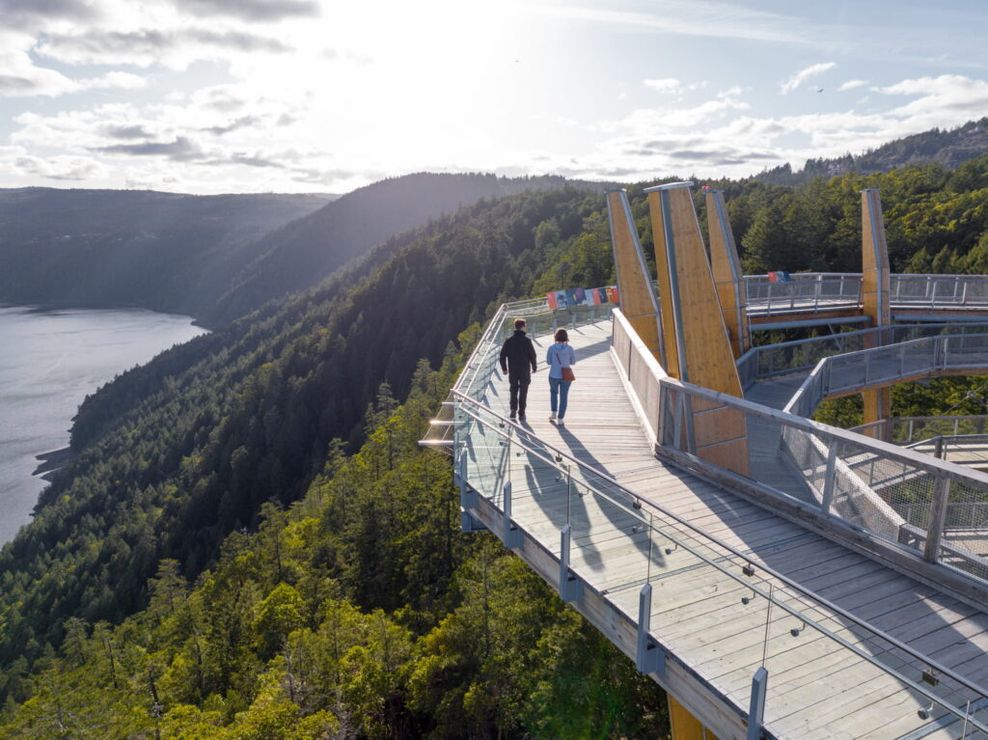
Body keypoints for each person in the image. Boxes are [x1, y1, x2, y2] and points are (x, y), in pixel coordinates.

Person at [499, 318, 537, 420]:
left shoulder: (509, 341)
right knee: (523, 391)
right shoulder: (527, 341)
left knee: (513, 390)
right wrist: (534, 367)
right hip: (524, 370)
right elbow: (533, 355)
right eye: (525, 326)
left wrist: (504, 368)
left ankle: (513, 410)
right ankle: (521, 413)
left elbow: (502, 356)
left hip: (513, 370)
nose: (526, 327)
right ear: (522, 327)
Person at [546, 328, 575, 426]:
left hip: (553, 374)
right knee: (564, 396)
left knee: (554, 393)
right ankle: (560, 418)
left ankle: (553, 413)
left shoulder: (551, 348)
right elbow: (573, 362)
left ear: (556, 337)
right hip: (566, 376)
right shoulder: (570, 349)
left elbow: (548, 362)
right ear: (566, 337)